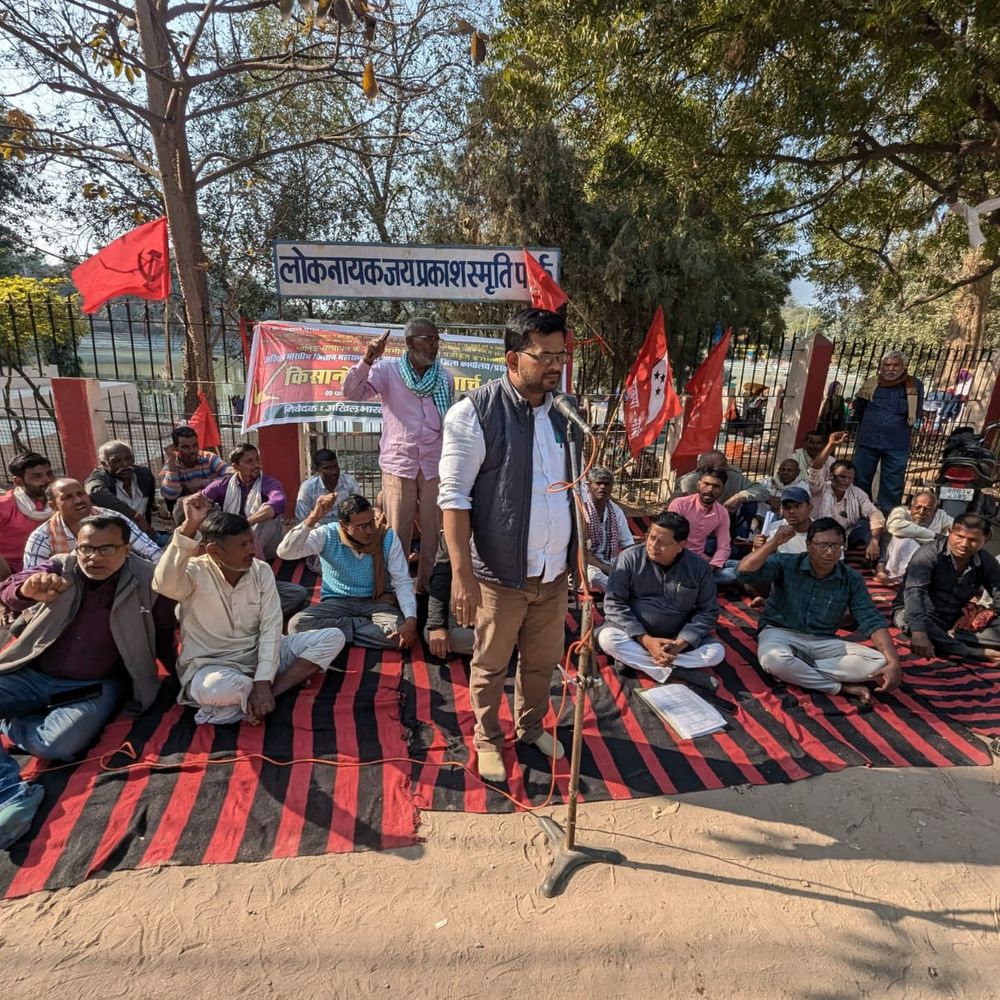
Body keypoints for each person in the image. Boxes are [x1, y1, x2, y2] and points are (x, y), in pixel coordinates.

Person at [439, 307, 578, 783]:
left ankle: (530, 727)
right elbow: (454, 500)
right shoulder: (473, 412)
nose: (556, 365)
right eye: (545, 356)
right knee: (492, 666)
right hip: (499, 577)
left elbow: (570, 488)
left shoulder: (565, 413)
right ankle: (486, 738)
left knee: (541, 665)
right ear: (512, 359)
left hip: (553, 573)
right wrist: (461, 576)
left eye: (561, 354)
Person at [0, 514, 173, 849]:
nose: (93, 557)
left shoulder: (148, 579)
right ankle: (11, 793)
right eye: (86, 549)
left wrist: (177, 680)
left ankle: (10, 724)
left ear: (126, 549)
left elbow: (164, 633)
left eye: (106, 548)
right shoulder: (59, 568)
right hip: (33, 674)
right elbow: (12, 590)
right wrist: (24, 589)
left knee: (57, 747)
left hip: (92, 687)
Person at [153, 496, 346, 726]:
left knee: (333, 637)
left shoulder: (261, 570)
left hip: (260, 656)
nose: (252, 550)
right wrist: (189, 526)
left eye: (251, 541)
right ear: (214, 551)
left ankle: (269, 694)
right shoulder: (195, 572)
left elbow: (271, 627)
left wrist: (264, 682)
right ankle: (259, 694)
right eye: (242, 545)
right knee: (216, 688)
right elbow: (163, 584)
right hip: (213, 666)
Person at [342, 317, 455, 593]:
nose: (434, 346)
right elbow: (352, 393)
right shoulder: (386, 371)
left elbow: (448, 421)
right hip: (399, 463)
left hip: (433, 465)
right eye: (428, 339)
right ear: (409, 342)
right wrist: (368, 359)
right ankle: (397, 590)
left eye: (436, 340)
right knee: (397, 534)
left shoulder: (444, 377)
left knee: (433, 533)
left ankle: (426, 591)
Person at [737, 517, 901, 701]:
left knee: (878, 662)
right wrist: (774, 542)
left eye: (835, 546)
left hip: (822, 642)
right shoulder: (787, 563)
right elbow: (743, 572)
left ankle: (798, 670)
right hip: (780, 633)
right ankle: (838, 687)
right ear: (808, 545)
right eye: (823, 545)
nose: (830, 552)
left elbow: (871, 618)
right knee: (774, 659)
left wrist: (893, 661)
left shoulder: (851, 578)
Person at [278, 493, 418, 650]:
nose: (370, 530)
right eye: (362, 526)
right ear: (344, 525)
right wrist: (312, 519)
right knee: (297, 625)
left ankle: (336, 634)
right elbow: (285, 552)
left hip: (377, 602)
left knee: (398, 636)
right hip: (338, 602)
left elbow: (402, 581)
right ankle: (355, 628)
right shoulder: (327, 534)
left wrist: (411, 620)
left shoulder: (386, 536)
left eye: (371, 522)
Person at [596, 511, 724, 682]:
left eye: (662, 542)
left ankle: (638, 662)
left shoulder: (699, 568)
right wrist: (646, 640)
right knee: (608, 639)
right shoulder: (629, 558)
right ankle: (676, 672)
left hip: (675, 641)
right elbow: (614, 603)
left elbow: (708, 611)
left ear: (681, 545)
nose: (653, 545)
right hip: (635, 636)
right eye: (651, 537)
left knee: (716, 653)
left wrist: (681, 643)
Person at [891, 513, 1000, 663]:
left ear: (985, 540)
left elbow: (999, 592)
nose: (964, 544)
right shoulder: (928, 554)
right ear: (950, 532)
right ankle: (971, 651)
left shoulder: (986, 561)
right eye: (959, 536)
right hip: (916, 613)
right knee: (913, 622)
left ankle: (949, 640)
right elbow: (914, 593)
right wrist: (919, 632)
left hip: (954, 618)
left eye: (973, 540)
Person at [24, 478, 162, 569]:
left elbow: (152, 551)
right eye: (68, 497)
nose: (78, 500)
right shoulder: (42, 537)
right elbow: (32, 577)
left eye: (81, 493)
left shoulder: (113, 519)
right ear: (53, 505)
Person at [853, 351, 924, 514]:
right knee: (860, 480)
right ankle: (861, 513)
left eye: (895, 365)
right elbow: (859, 409)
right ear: (881, 366)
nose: (890, 369)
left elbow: (917, 411)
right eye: (887, 365)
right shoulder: (871, 384)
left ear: (903, 367)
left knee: (892, 484)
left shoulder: (914, 385)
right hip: (868, 440)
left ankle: (889, 518)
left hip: (897, 443)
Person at [200, 443, 285, 561]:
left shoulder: (269, 483)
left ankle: (255, 563)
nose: (256, 465)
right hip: (232, 540)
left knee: (270, 517)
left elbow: (279, 501)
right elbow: (200, 500)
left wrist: (244, 524)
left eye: (257, 459)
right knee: (206, 512)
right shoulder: (222, 485)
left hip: (262, 543)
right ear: (236, 467)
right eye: (249, 461)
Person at [807, 432, 884, 560]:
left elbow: (874, 514)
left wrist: (874, 541)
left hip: (845, 540)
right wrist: (831, 445)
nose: (846, 481)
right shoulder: (819, 488)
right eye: (842, 476)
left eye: (850, 478)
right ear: (831, 476)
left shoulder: (856, 493)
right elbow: (815, 469)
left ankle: (877, 565)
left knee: (869, 526)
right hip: (819, 537)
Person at [672, 451, 770, 537]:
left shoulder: (734, 477)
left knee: (749, 505)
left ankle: (740, 540)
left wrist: (739, 497)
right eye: (722, 465)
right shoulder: (687, 483)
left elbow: (761, 490)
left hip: (728, 520)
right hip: (695, 525)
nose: (727, 467)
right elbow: (673, 513)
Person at [667, 467, 740, 583]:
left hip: (702, 561)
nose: (710, 489)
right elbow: (669, 540)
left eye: (716, 486)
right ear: (698, 484)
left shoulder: (722, 512)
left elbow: (724, 547)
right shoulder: (680, 505)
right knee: (730, 575)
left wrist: (711, 567)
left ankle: (703, 580)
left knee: (748, 567)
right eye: (706, 484)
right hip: (678, 562)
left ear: (722, 489)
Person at [84, 440, 158, 537]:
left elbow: (150, 504)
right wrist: (135, 516)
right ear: (105, 464)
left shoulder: (144, 475)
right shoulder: (100, 478)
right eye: (117, 461)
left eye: (128, 458)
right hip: (116, 539)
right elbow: (95, 492)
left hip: (145, 536)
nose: (125, 464)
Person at [876, 490, 953, 583]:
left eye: (927, 509)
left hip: (925, 560)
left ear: (935, 510)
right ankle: (887, 571)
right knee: (902, 538)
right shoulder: (900, 511)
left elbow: (955, 530)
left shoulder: (940, 516)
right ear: (910, 507)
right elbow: (895, 527)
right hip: (895, 559)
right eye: (917, 507)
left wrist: (924, 539)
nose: (921, 512)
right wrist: (934, 536)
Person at [0, 452, 54, 574]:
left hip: (53, 566)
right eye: (37, 476)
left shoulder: (61, 500)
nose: (47, 480)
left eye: (49, 474)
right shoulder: (4, 506)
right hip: (14, 575)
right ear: (18, 481)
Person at [582, 466, 635, 592]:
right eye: (598, 483)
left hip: (609, 560)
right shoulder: (582, 509)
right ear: (589, 486)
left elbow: (628, 545)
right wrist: (608, 569)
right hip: (586, 562)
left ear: (611, 487)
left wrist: (631, 565)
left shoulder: (615, 511)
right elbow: (582, 553)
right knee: (593, 576)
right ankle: (624, 592)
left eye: (606, 484)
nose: (603, 487)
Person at [424, 532, 475, 658]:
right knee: (432, 636)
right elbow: (442, 575)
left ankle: (506, 644)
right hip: (467, 605)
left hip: (505, 605)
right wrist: (437, 625)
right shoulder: (454, 526)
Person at [159, 426, 230, 511]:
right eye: (186, 447)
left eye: (195, 445)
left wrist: (206, 487)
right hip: (188, 507)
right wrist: (171, 459)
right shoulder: (172, 464)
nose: (192, 450)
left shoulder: (209, 458)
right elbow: (170, 495)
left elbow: (230, 474)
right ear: (176, 448)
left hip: (211, 503)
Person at [294, 448, 362, 525]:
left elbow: (359, 510)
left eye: (335, 466)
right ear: (317, 469)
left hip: (345, 529)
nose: (334, 471)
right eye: (327, 468)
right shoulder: (307, 488)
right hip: (318, 532)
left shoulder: (349, 482)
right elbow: (302, 520)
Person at [755, 486, 813, 554]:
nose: (791, 511)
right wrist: (757, 548)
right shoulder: (772, 530)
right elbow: (763, 561)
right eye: (787, 507)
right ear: (781, 509)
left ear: (810, 508)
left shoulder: (820, 531)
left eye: (797, 506)